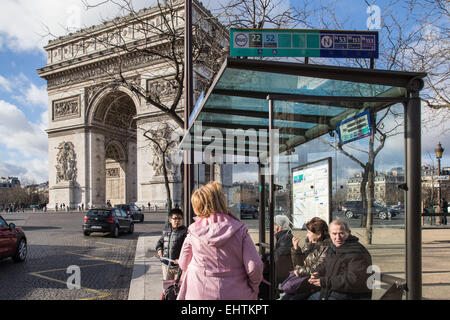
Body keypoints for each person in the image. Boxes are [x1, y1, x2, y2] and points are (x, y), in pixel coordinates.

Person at [176, 181, 263, 300]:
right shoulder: (240, 229)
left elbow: (183, 262)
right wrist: (254, 287)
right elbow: (254, 267)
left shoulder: (193, 231)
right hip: (237, 292)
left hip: (198, 291)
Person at [307, 219, 373, 300]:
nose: (337, 237)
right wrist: (318, 273)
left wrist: (325, 282)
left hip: (350, 295)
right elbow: (326, 265)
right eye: (334, 234)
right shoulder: (333, 247)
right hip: (332, 292)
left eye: (341, 233)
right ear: (330, 234)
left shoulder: (357, 252)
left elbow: (354, 280)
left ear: (348, 233)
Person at [281, 217, 331, 300]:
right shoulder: (309, 244)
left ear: (318, 235)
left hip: (314, 283)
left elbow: (317, 268)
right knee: (286, 297)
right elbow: (298, 265)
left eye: (309, 232)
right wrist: (296, 249)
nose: (307, 235)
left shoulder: (326, 248)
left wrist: (299, 271)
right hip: (304, 281)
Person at [156, 208, 188, 280]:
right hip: (166, 265)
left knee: (178, 287)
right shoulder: (166, 230)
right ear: (170, 220)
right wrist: (159, 249)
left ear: (182, 220)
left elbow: (187, 249)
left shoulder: (185, 232)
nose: (177, 221)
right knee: (167, 287)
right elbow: (160, 242)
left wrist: (181, 260)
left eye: (179, 218)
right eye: (175, 218)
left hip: (178, 266)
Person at [273, 215, 294, 288]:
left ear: (278, 227)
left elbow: (278, 256)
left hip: (284, 276)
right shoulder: (283, 237)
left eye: (274, 225)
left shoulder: (286, 238)